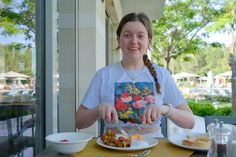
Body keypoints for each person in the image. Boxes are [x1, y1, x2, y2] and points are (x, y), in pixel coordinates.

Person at [75, 12, 195, 138]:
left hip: (153, 147)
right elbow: (79, 122)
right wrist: (98, 109)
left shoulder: (162, 75)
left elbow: (190, 122)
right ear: (118, 40)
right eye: (127, 35)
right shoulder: (104, 75)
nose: (133, 41)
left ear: (148, 41)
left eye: (140, 36)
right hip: (113, 146)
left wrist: (164, 109)